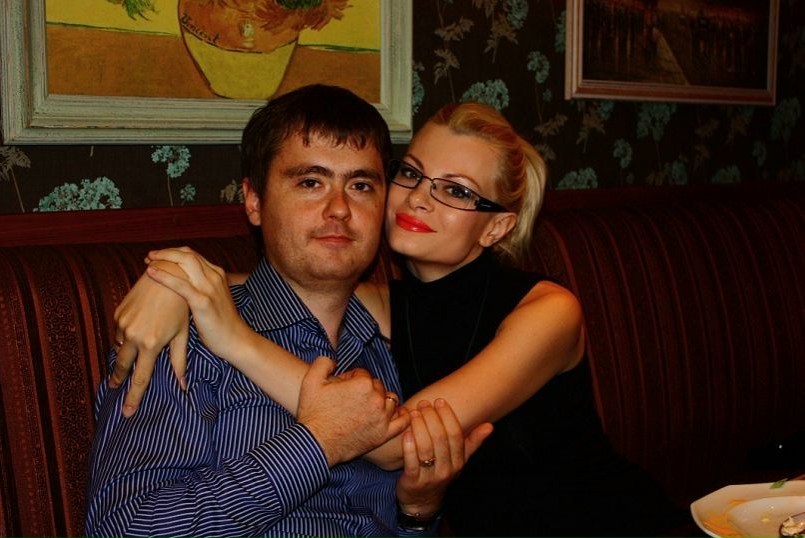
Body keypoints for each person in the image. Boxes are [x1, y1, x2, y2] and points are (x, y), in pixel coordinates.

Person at [112, 101, 683, 537]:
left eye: (456, 191)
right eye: (410, 174)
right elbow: (283, 276)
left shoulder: (547, 310)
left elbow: (388, 443)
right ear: (254, 200)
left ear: (496, 226)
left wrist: (234, 337)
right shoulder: (380, 307)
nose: (419, 200)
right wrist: (171, 281)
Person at [85, 85, 492, 538]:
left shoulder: (393, 350)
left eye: (360, 186)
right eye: (310, 182)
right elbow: (122, 528)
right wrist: (318, 442)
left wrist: (418, 514)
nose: (339, 209)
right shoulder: (184, 337)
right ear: (254, 201)